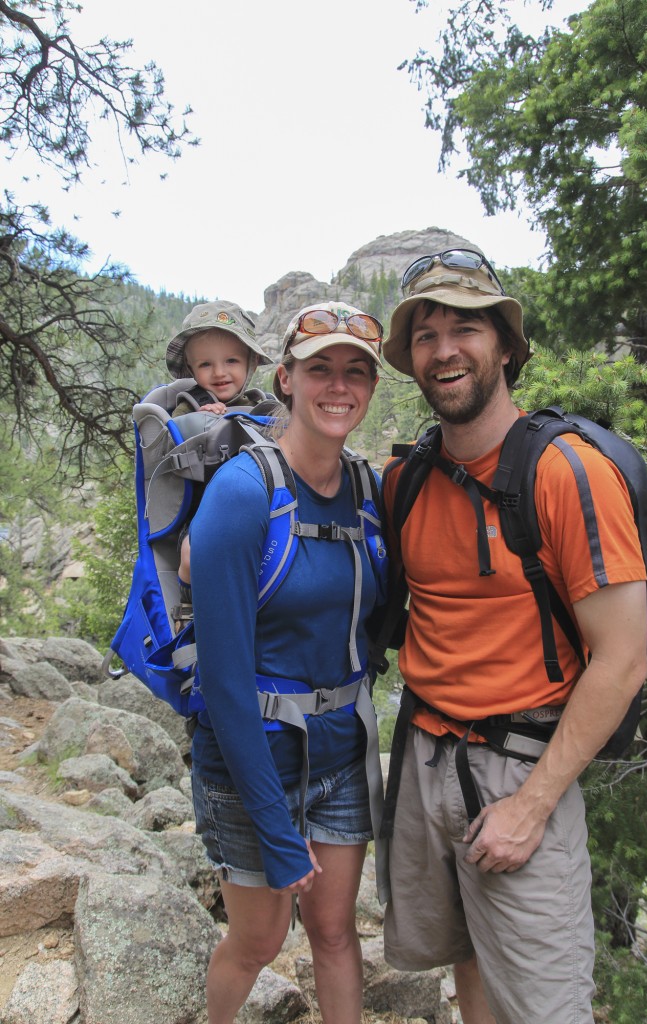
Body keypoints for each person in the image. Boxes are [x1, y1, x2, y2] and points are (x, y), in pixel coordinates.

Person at [379, 240, 647, 1024]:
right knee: (469, 963)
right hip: (426, 760)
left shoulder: (564, 472)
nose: (444, 349)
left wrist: (531, 807)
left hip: (523, 768)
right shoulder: (408, 481)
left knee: (545, 1002)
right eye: (425, 335)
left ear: (503, 343)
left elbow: (623, 659)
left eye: (464, 326)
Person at [188, 301, 386, 1024]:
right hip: (248, 763)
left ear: (369, 387)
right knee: (260, 937)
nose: (338, 386)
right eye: (320, 370)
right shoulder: (244, 494)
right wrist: (275, 826)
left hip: (339, 753)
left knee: (335, 933)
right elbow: (225, 681)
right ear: (286, 379)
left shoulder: (368, 490)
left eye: (355, 371)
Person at [164, 300, 273, 613]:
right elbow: (175, 441)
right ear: (191, 369)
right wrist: (201, 421)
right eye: (206, 365)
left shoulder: (261, 405)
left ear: (250, 363)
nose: (220, 373)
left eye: (231, 361)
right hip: (203, 510)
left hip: (262, 510)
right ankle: (191, 609)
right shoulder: (189, 405)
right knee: (191, 553)